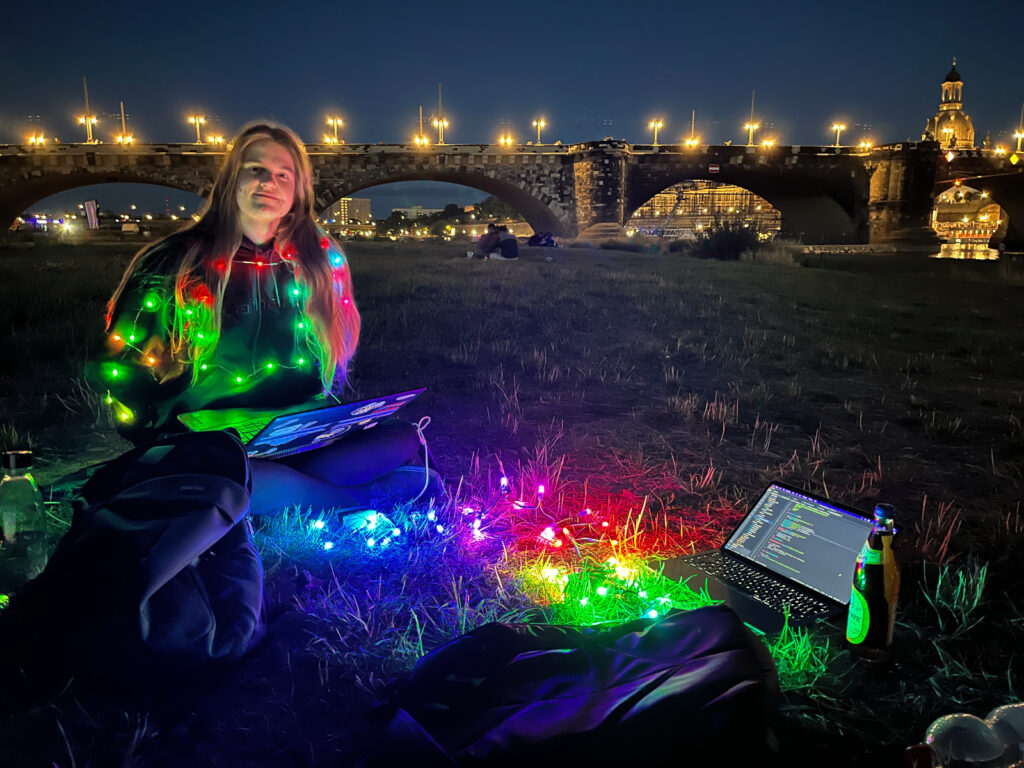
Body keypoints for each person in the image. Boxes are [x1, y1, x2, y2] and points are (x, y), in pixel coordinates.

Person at [88, 122, 441, 516]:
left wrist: (326, 419)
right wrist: (163, 427)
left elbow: (321, 374)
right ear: (230, 180)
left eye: (282, 174)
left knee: (402, 435)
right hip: (205, 436)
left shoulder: (319, 263)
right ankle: (352, 500)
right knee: (226, 472)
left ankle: (288, 494)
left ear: (298, 191)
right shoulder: (176, 262)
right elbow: (120, 369)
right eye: (255, 169)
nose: (268, 182)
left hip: (293, 427)